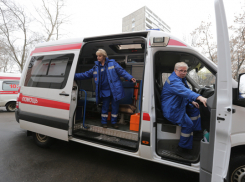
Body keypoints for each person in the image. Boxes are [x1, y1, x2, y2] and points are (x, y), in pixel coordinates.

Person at [75, 49, 136, 129]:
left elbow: (122, 71)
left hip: (115, 90)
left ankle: (114, 123)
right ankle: (104, 122)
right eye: (97, 56)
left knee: (115, 107)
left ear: (104, 56)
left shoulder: (112, 63)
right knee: (105, 106)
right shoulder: (96, 67)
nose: (98, 58)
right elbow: (85, 75)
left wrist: (130, 78)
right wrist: (74, 75)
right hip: (105, 90)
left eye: (99, 56)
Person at [161, 62, 207, 160]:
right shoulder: (173, 81)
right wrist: (199, 97)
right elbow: (184, 91)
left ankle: (196, 133)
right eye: (180, 71)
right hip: (172, 109)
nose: (183, 72)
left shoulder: (181, 78)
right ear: (175, 71)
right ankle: (181, 149)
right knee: (188, 124)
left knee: (195, 109)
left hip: (178, 104)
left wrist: (192, 101)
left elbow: (184, 92)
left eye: (185, 71)